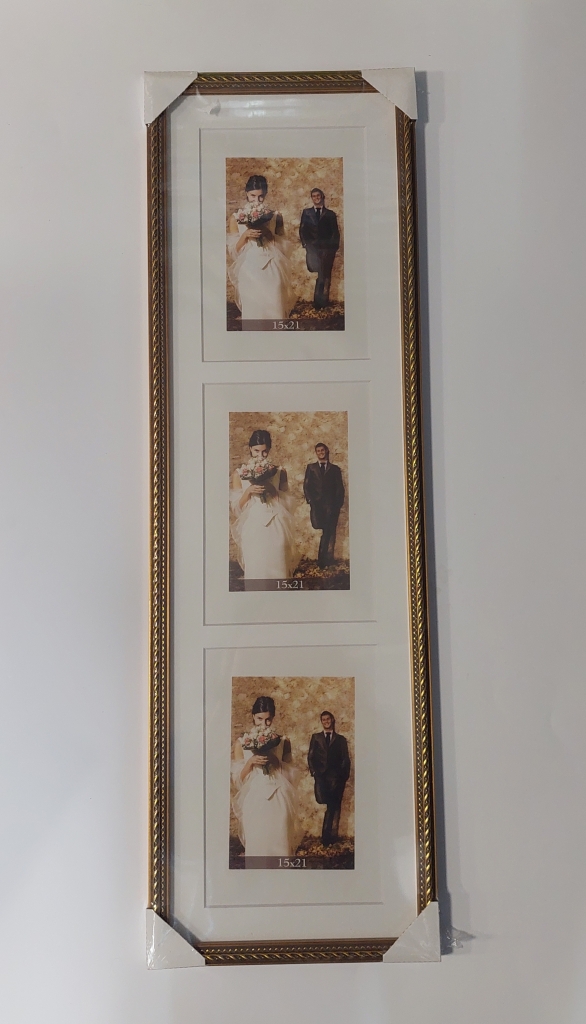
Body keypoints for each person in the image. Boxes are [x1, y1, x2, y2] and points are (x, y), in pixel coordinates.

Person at [231, 696, 299, 859]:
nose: (264, 724)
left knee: (280, 841)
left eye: (268, 719)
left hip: (279, 797)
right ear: (253, 716)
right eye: (259, 719)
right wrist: (250, 763)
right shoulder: (241, 743)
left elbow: (292, 777)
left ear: (273, 718)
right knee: (258, 843)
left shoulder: (283, 741)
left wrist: (276, 761)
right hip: (255, 800)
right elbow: (237, 780)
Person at [230, 429, 298, 581]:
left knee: (278, 566)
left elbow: (289, 506)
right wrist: (248, 492)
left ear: (269, 449)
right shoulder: (239, 474)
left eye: (264, 451)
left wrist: (273, 491)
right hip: (253, 528)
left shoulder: (280, 472)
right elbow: (236, 510)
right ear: (250, 449)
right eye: (256, 451)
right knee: (257, 568)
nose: (260, 455)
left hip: (276, 526)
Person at [227, 174, 296, 321]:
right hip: (249, 270)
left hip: (272, 267)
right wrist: (245, 235)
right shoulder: (235, 218)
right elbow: (234, 252)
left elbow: (285, 249)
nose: (257, 200)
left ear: (266, 194)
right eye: (253, 196)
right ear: (246, 193)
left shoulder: (275, 216)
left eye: (261, 196)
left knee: (275, 308)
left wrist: (269, 235)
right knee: (253, 311)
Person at [307, 711, 350, 846]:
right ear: (321, 722)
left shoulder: (341, 739)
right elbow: (310, 756)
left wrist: (343, 776)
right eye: (323, 720)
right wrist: (314, 772)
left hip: (336, 779)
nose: (326, 721)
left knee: (333, 806)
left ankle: (328, 838)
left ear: (332, 720)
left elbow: (345, 759)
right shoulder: (316, 737)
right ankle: (328, 837)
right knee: (326, 803)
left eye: (328, 719)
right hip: (321, 778)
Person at [303, 443, 345, 568]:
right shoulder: (311, 468)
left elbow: (339, 488)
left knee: (328, 531)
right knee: (321, 528)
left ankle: (323, 560)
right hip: (317, 506)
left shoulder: (335, 469)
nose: (321, 452)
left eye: (322, 450)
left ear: (326, 451)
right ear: (316, 453)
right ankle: (324, 560)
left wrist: (338, 504)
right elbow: (306, 485)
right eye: (318, 451)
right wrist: (310, 500)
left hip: (331, 506)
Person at [299, 188, 340, 309]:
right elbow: (302, 230)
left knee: (325, 275)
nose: (316, 198)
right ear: (311, 198)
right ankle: (319, 302)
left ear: (322, 197)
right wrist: (306, 245)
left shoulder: (330, 214)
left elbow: (335, 232)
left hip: (327, 250)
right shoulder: (307, 213)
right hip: (313, 249)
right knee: (319, 273)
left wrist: (333, 248)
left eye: (318, 195)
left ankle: (320, 302)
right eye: (314, 196)